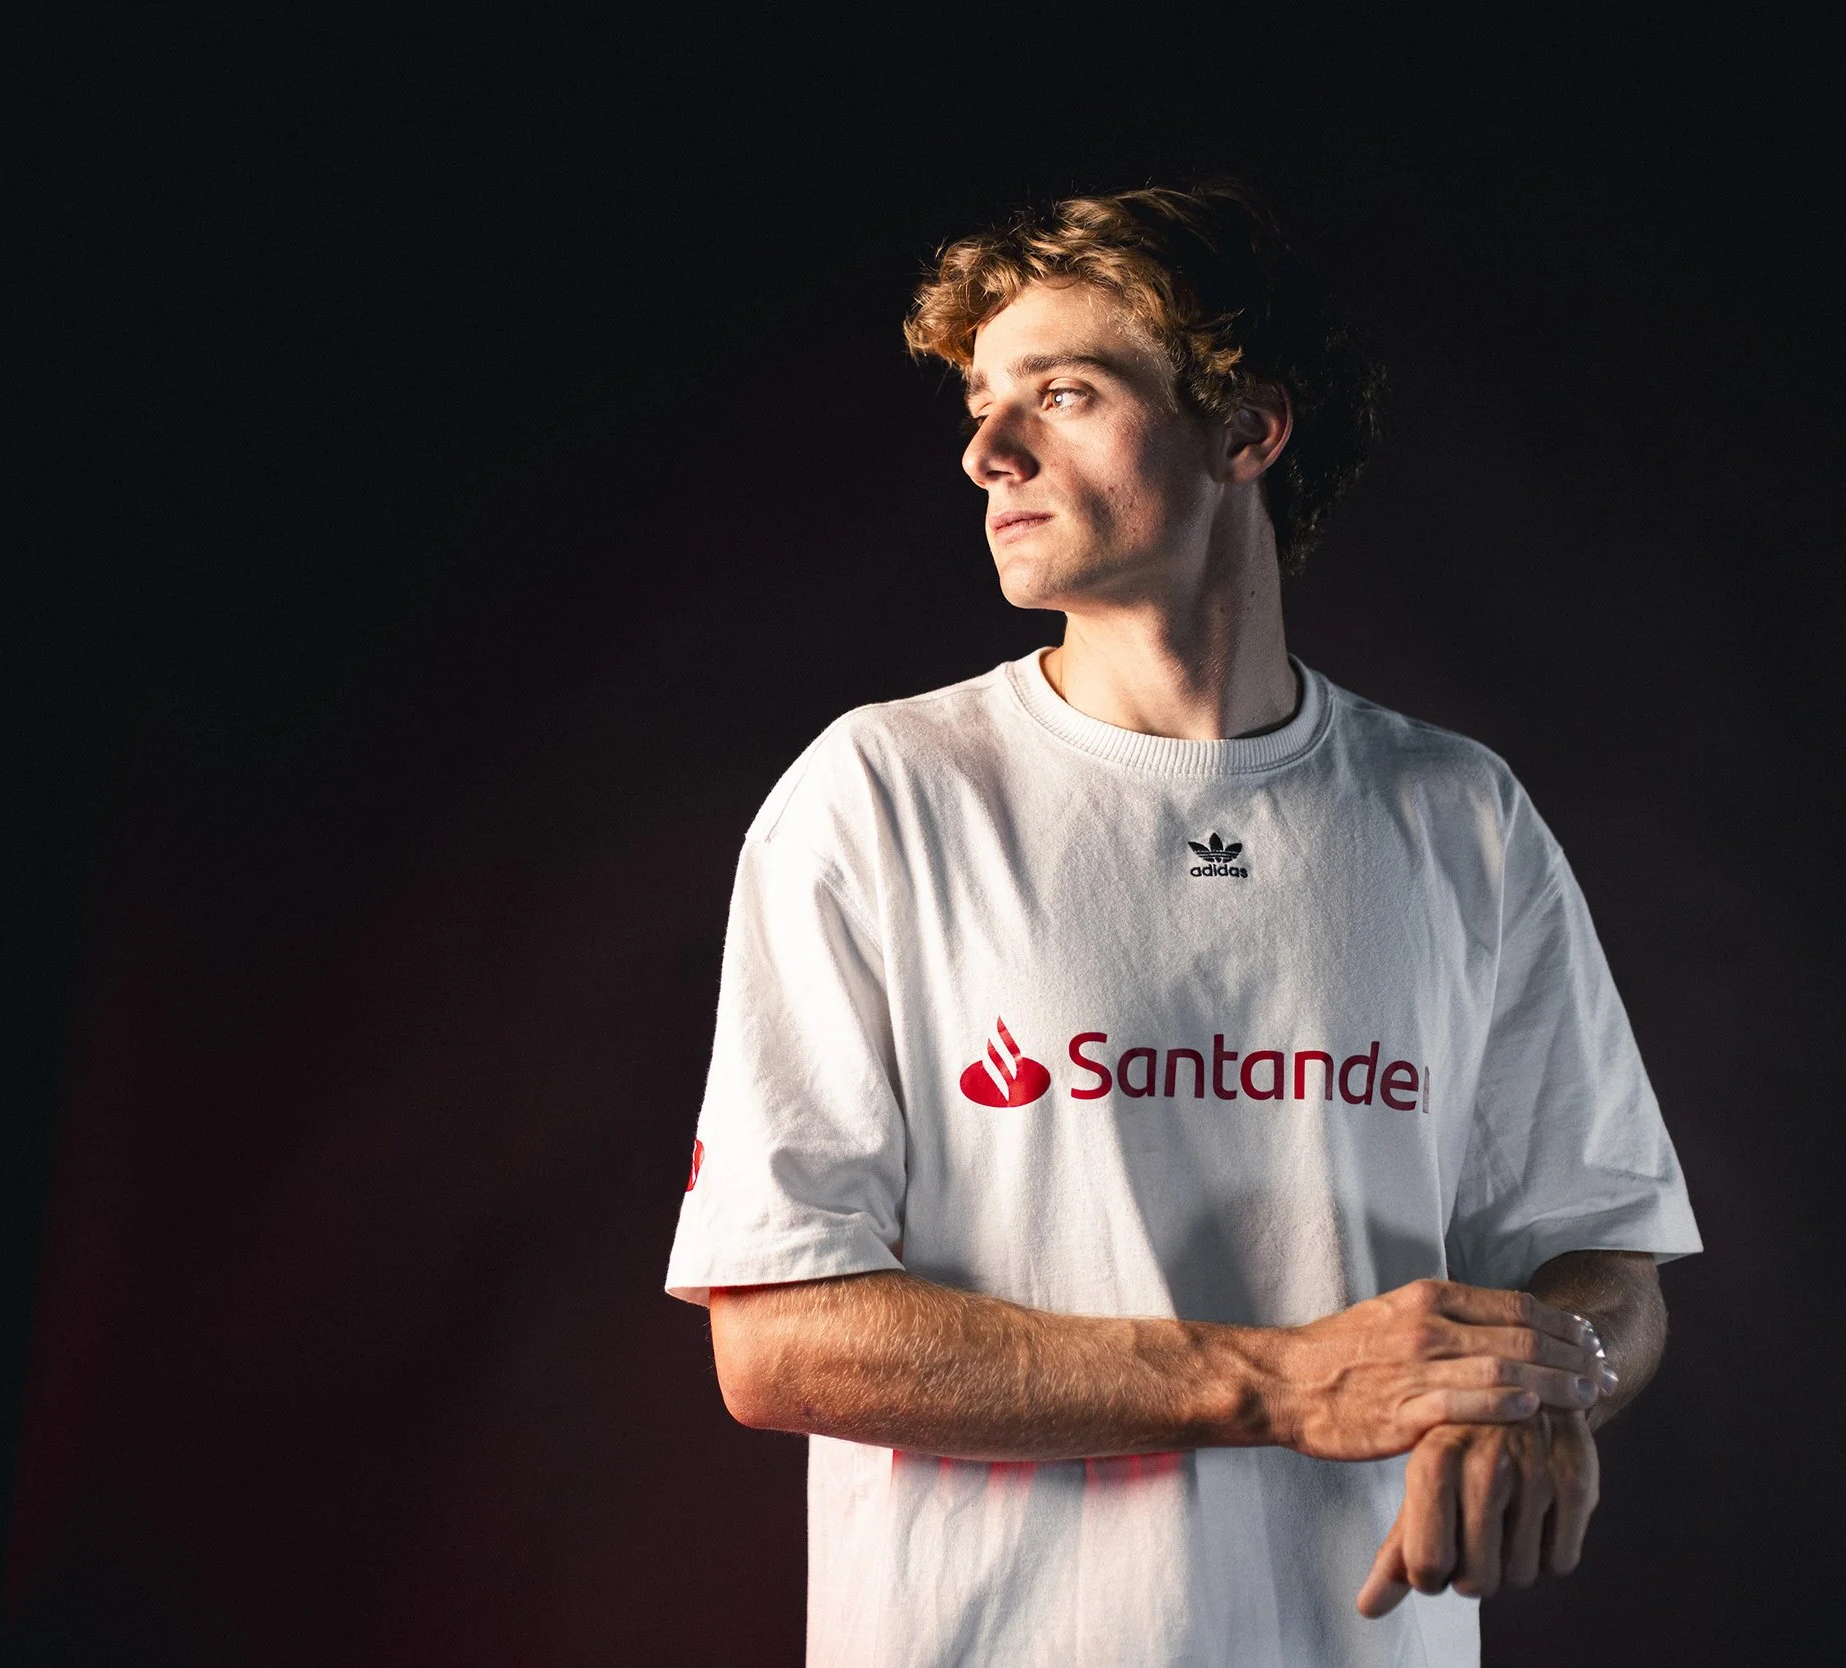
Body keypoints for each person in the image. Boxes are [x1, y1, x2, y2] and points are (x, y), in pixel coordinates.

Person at [664, 183, 1700, 1667]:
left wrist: (1551, 1385)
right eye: (981, 402)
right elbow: (776, 1343)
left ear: (1246, 431)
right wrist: (1275, 1382)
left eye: (1065, 392)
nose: (986, 451)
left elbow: (1608, 1265)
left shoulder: (1457, 813)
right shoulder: (882, 795)